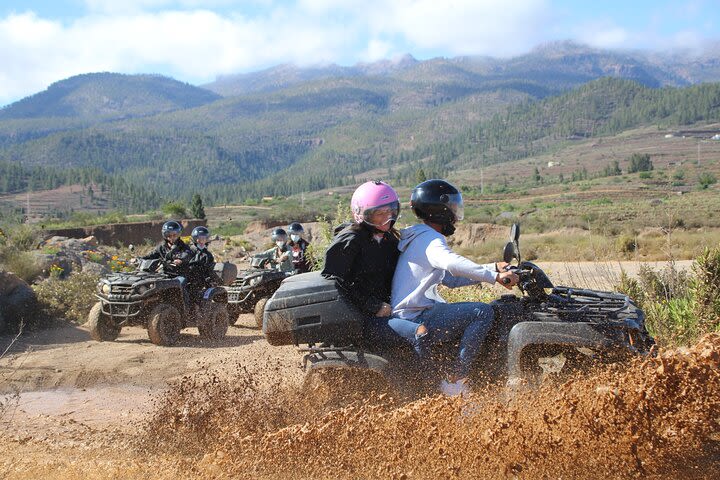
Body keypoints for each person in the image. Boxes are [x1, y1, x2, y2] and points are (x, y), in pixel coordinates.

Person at [389, 179, 519, 396]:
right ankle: (458, 377)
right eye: (452, 207)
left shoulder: (419, 236)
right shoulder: (431, 240)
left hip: (417, 311)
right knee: (482, 312)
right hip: (416, 316)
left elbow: (450, 278)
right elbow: (451, 263)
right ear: (439, 210)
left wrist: (492, 267)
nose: (455, 213)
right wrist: (494, 276)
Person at [321, 181, 411, 346]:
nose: (387, 218)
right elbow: (335, 281)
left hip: (388, 310)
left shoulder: (389, 239)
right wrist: (373, 305)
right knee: (415, 333)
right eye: (379, 213)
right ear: (361, 214)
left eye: (391, 211)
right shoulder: (350, 240)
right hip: (358, 316)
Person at [141, 220, 193, 304]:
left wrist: (181, 260)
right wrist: (139, 259)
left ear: (178, 234)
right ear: (165, 235)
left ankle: (186, 308)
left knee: (180, 283)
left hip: (180, 274)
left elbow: (187, 254)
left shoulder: (183, 246)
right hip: (164, 274)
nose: (172, 237)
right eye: (169, 235)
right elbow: (150, 255)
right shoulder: (161, 247)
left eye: (174, 235)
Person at [187, 226, 217, 308]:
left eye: (202, 238)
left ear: (206, 239)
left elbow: (210, 268)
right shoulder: (189, 251)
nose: (199, 241)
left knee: (198, 299)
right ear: (194, 239)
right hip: (189, 278)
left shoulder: (208, 255)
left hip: (201, 280)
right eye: (197, 238)